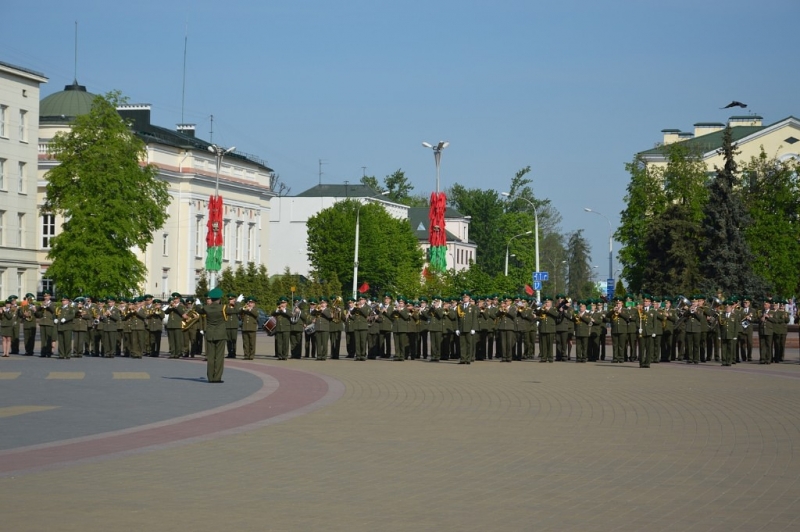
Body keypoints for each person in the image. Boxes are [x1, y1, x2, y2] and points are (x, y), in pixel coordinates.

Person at [198, 288, 226, 382]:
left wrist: (198, 303)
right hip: (220, 334)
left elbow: (198, 309)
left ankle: (210, 377)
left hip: (210, 333)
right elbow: (235, 310)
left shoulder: (206, 308)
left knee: (210, 357)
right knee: (219, 357)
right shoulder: (223, 308)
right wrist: (238, 302)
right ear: (219, 299)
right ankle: (217, 378)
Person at [165, 292, 187, 359]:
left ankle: (178, 353)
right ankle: (172, 353)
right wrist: (170, 307)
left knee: (178, 340)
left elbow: (183, 313)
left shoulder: (181, 306)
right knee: (171, 340)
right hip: (170, 325)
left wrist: (176, 307)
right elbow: (166, 312)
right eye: (174, 299)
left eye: (176, 299)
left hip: (177, 325)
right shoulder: (171, 305)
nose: (175, 300)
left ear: (179, 299)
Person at [35, 291, 56, 358]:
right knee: (43, 338)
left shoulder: (52, 304)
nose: (45, 298)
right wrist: (40, 307)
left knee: (48, 339)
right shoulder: (42, 303)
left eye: (47, 296)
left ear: (49, 297)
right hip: (42, 322)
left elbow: (54, 311)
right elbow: (37, 313)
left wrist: (48, 305)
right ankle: (43, 352)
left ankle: (48, 352)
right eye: (44, 296)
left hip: (49, 323)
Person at [271, 296, 292, 360]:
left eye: (284, 303)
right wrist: (277, 310)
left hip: (286, 328)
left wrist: (284, 310)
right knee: (279, 343)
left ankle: (285, 356)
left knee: (285, 343)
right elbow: (272, 313)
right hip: (279, 328)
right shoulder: (277, 310)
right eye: (281, 303)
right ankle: (279, 356)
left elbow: (291, 315)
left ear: (286, 303)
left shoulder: (288, 310)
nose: (282, 304)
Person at [240, 296, 259, 360]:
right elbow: (239, 313)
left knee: (252, 343)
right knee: (245, 343)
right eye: (249, 302)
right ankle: (246, 355)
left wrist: (250, 309)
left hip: (252, 328)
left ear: (254, 304)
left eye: (251, 303)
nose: (250, 304)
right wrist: (243, 308)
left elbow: (256, 314)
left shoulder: (255, 309)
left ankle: (251, 355)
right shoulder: (245, 309)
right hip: (245, 327)